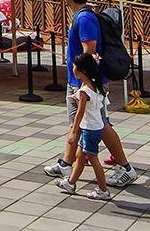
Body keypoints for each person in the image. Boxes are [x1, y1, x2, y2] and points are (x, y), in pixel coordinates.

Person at [44, 0, 137, 188]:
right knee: (79, 124)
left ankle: (126, 168)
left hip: (86, 83)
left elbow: (90, 50)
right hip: (79, 81)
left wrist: (86, 82)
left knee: (99, 125)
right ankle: (66, 163)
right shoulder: (82, 15)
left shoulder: (84, 18)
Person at [55, 53, 112, 200]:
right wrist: (77, 96)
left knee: (93, 159)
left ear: (82, 71)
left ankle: (103, 190)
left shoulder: (84, 91)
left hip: (89, 129)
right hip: (95, 127)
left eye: (75, 66)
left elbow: (79, 113)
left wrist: (73, 132)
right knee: (80, 156)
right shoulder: (92, 85)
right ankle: (71, 183)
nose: (72, 68)